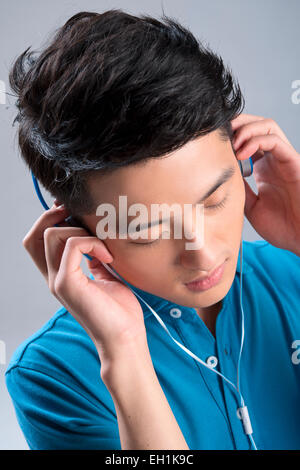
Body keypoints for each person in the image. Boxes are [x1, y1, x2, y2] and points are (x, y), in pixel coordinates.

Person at [5, 9, 300, 450]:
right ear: (74, 227)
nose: (201, 252)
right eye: (145, 229)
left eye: (216, 199)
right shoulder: (52, 373)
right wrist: (123, 357)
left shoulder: (292, 272)